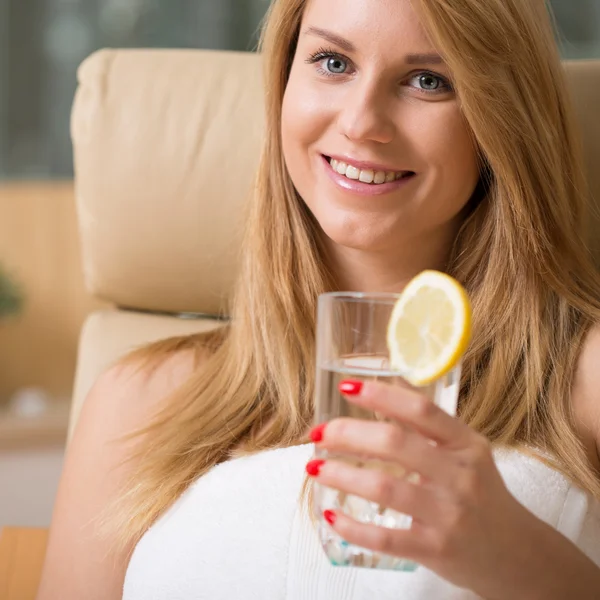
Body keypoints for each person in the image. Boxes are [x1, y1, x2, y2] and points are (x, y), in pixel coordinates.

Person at [38, 0, 600, 598]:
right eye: (333, 62)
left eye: (428, 80)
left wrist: (523, 561)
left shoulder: (583, 380)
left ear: (502, 119)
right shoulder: (139, 403)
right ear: (283, 84)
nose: (362, 123)